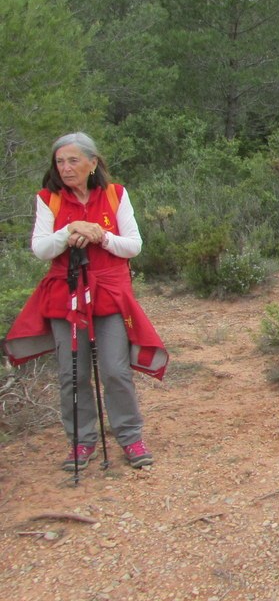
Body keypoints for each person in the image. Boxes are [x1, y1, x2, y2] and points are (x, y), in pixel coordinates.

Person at [3, 132, 167, 471]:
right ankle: (81, 441)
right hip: (66, 295)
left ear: (93, 163)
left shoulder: (115, 194)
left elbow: (133, 245)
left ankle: (130, 436)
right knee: (72, 374)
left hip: (109, 293)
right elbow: (41, 249)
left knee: (115, 370)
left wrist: (100, 235)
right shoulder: (48, 198)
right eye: (60, 162)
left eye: (73, 160)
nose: (65, 168)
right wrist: (69, 231)